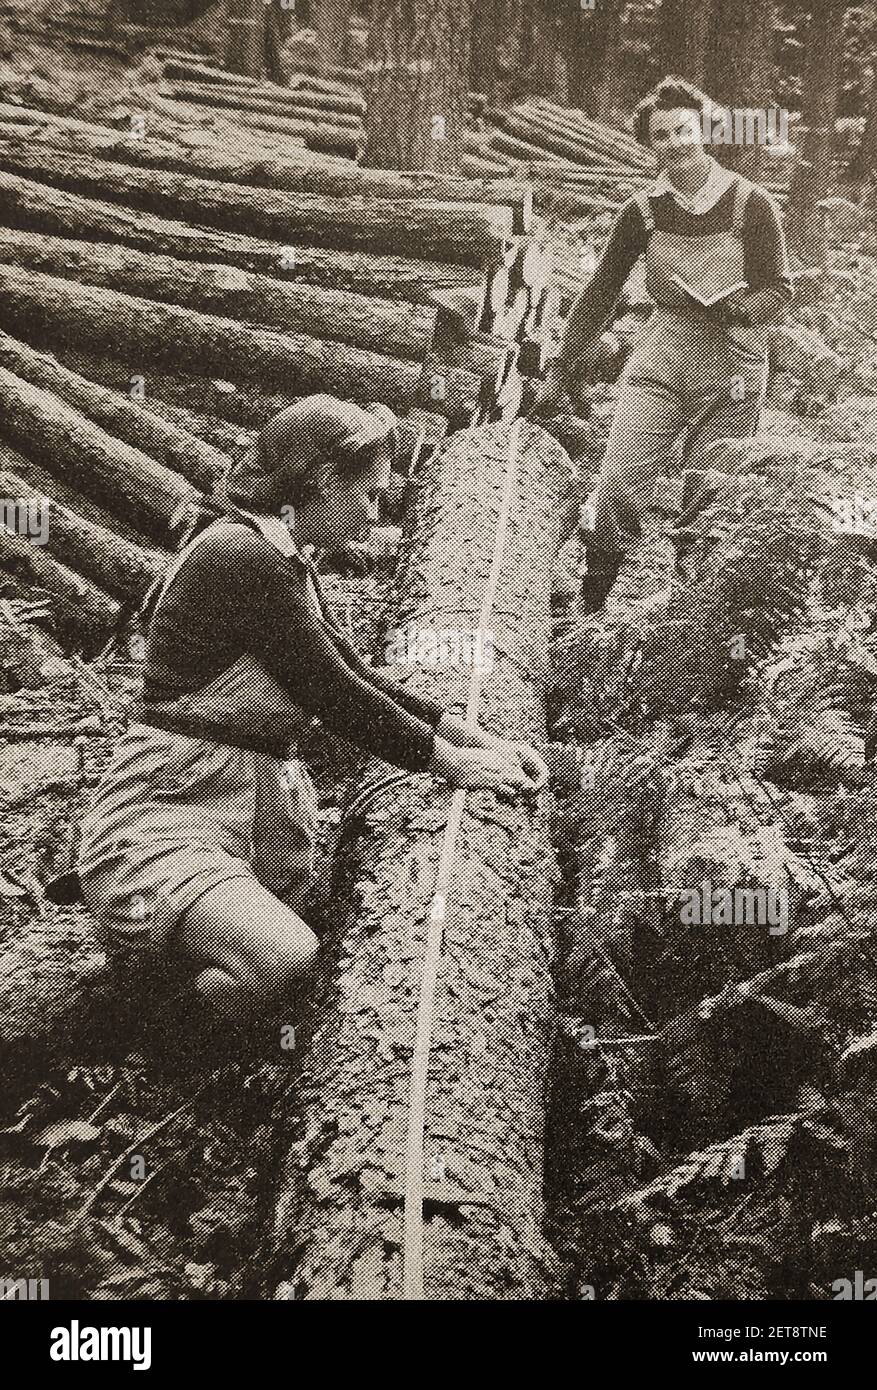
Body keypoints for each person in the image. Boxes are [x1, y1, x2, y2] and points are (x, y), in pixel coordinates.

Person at [76, 395, 547, 1023]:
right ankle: (148, 1010)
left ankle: (189, 952)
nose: (376, 514)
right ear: (325, 482)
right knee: (288, 960)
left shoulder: (282, 555)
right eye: (370, 495)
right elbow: (331, 694)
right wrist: (454, 764)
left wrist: (453, 726)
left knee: (323, 918)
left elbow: (347, 665)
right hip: (170, 805)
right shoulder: (241, 556)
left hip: (250, 796)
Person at [536, 75, 793, 611]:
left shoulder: (753, 203)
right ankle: (587, 614)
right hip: (662, 349)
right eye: (661, 136)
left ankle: (689, 634)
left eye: (683, 131)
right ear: (650, 145)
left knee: (713, 499)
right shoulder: (644, 210)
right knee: (620, 484)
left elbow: (778, 292)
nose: (675, 144)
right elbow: (602, 289)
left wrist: (734, 304)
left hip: (735, 360)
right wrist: (567, 364)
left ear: (706, 131)